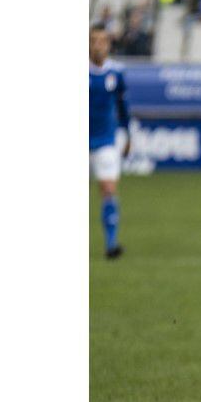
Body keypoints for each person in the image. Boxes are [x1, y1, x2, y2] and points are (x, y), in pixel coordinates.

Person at [89, 25, 133, 259]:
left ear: (108, 44)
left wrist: (128, 136)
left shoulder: (116, 73)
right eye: (94, 40)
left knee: (108, 189)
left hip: (106, 140)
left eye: (102, 41)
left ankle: (111, 244)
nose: (98, 45)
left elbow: (123, 107)